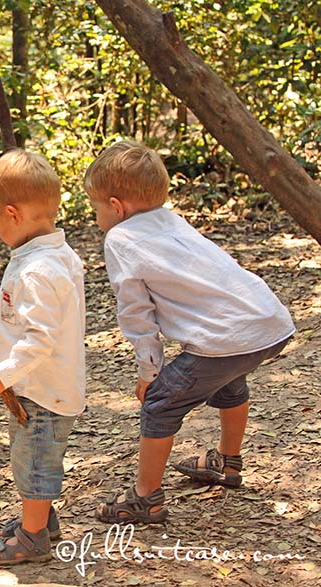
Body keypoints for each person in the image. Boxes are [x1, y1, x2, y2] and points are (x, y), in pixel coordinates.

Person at [84, 139, 295, 524]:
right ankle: (227, 462)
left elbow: (137, 315)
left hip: (228, 336)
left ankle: (145, 498)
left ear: (116, 206)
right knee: (227, 379)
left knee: (162, 401)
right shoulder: (172, 220)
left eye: (95, 207)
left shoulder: (120, 238)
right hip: (267, 322)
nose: (96, 217)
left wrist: (149, 372)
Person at [0, 149, 86, 566]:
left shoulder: (37, 271)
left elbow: (40, 339)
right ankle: (42, 520)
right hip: (38, 387)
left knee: (35, 463)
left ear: (12, 214)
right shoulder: (53, 255)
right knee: (31, 458)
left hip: (42, 391)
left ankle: (34, 538)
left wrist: (4, 373)